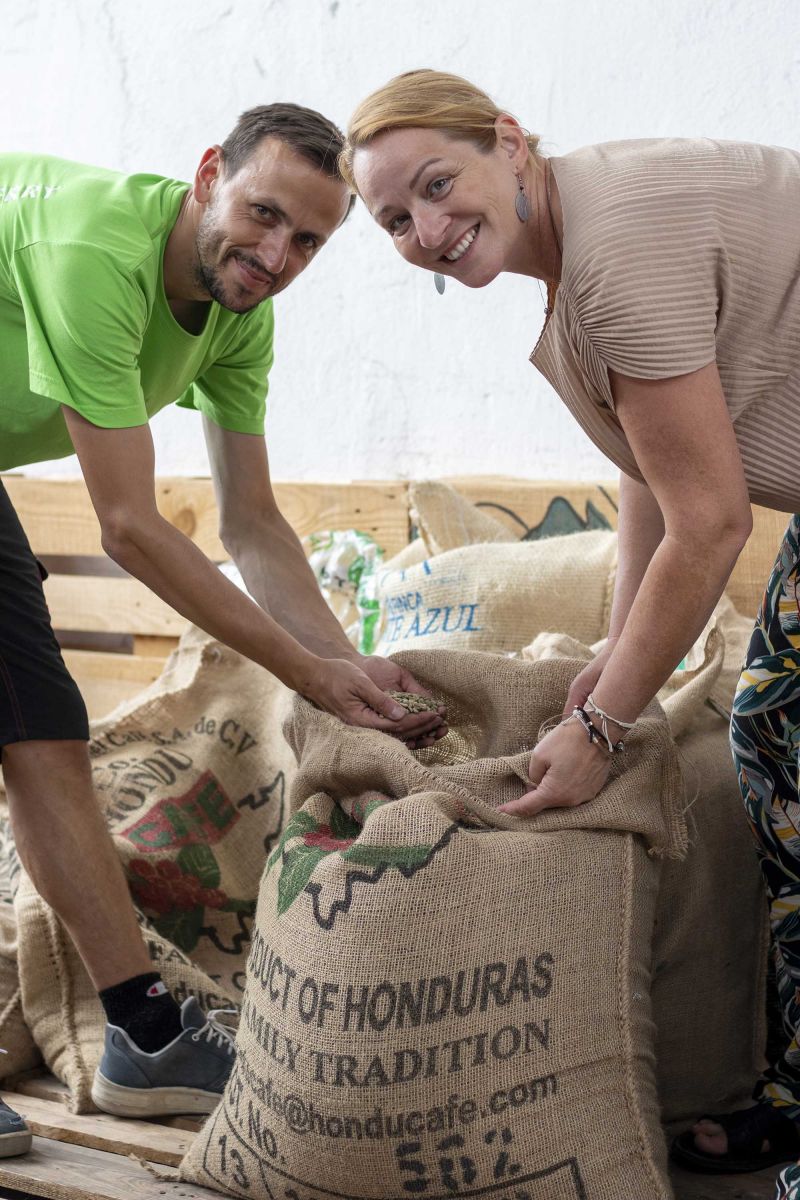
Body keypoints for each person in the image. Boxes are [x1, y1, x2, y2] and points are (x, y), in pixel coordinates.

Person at [338, 69, 800, 1187]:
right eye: (395, 218)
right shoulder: (575, 267)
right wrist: (611, 645)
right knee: (773, 740)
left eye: (439, 185)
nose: (427, 229)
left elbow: (710, 522)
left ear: (506, 140)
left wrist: (597, 725)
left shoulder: (613, 251)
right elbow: (654, 464)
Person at [0, 102, 445, 1150]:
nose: (275, 253)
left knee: (43, 735)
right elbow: (128, 528)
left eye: (307, 240)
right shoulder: (94, 248)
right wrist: (304, 671)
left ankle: (144, 1039)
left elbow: (251, 524)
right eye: (262, 214)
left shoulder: (243, 315)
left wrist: (350, 669)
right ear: (209, 173)